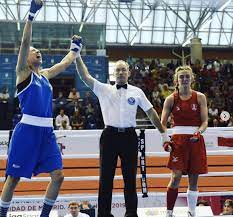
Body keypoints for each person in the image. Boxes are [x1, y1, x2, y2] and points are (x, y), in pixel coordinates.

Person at [0, 1, 81, 216]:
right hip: (26, 130)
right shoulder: (23, 74)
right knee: (13, 179)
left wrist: (75, 49)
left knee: (59, 176)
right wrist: (31, 16)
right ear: (26, 58)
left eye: (39, 51)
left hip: (46, 132)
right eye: (34, 51)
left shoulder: (44, 75)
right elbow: (25, 42)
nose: (37, 52)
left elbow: (64, 63)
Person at [75, 39, 170, 217]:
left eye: (123, 69)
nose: (120, 72)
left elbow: (151, 113)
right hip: (109, 136)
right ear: (114, 72)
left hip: (129, 137)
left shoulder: (137, 91)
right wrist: (77, 55)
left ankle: (131, 214)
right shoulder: (104, 89)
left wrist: (164, 133)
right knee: (105, 179)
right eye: (117, 69)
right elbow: (85, 76)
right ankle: (104, 214)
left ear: (128, 73)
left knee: (129, 179)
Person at [161, 65, 208, 217]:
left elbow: (205, 121)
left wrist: (199, 132)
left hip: (195, 140)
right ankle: (169, 213)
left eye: (187, 76)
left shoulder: (200, 97)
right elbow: (162, 124)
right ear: (176, 80)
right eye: (181, 77)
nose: (185, 79)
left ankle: (192, 212)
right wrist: (165, 140)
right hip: (178, 142)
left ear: (192, 79)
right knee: (175, 178)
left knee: (193, 180)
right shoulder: (170, 99)